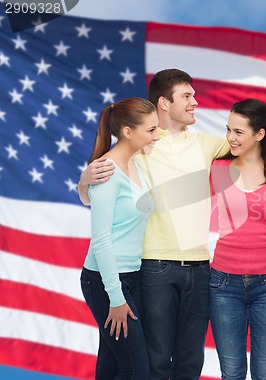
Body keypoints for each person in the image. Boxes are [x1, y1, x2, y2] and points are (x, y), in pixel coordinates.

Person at [78, 69, 229, 379]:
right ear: (163, 102)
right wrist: (84, 181)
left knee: (184, 364)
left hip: (197, 266)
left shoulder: (207, 144)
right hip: (151, 267)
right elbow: (98, 197)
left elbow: (252, 148)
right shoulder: (142, 143)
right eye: (187, 96)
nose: (195, 102)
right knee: (149, 363)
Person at [80, 97, 158, 380]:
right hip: (105, 281)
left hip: (131, 276)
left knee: (113, 364)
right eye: (150, 130)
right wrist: (116, 297)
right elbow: (101, 241)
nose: (156, 135)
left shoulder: (137, 164)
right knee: (136, 370)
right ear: (127, 132)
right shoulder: (107, 171)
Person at [209, 99, 266, 380]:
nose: (230, 137)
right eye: (228, 129)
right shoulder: (217, 169)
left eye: (238, 132)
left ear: (260, 134)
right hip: (222, 284)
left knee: (265, 374)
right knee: (231, 373)